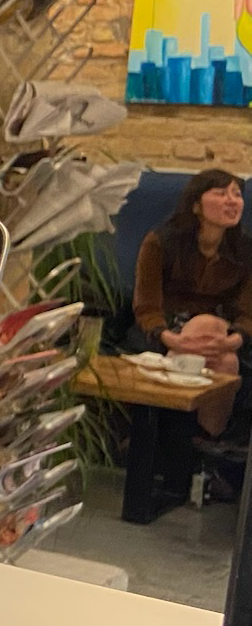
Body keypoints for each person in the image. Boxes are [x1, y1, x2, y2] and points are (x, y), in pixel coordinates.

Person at [136, 168, 252, 436]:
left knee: (214, 336)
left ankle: (178, 441)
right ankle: (204, 446)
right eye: (221, 193)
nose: (232, 201)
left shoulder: (246, 249)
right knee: (224, 361)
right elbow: (147, 306)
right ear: (196, 205)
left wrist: (232, 341)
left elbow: (248, 313)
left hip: (224, 334)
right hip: (163, 329)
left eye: (237, 194)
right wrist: (172, 340)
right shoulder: (160, 242)